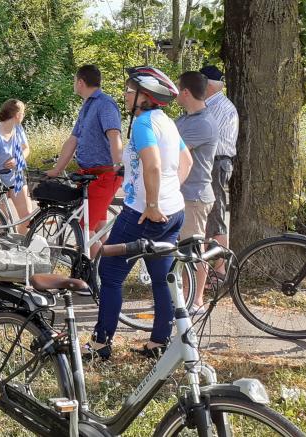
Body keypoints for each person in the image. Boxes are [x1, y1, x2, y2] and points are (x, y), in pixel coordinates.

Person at [87, 66, 192, 361]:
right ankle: (158, 342)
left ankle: (100, 344)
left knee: (110, 273)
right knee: (161, 277)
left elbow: (154, 165)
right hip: (174, 211)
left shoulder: (145, 123)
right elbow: (187, 161)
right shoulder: (167, 122)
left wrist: (153, 203)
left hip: (143, 214)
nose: (125, 95)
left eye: (130, 91)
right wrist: (169, 194)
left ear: (145, 96)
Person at [47, 65, 124, 255]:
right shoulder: (87, 105)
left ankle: (105, 268)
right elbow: (73, 140)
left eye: (75, 81)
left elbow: (114, 135)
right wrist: (57, 169)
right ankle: (102, 274)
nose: (74, 84)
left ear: (81, 82)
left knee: (83, 229)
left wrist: (118, 166)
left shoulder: (105, 104)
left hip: (104, 175)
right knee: (99, 227)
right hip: (90, 176)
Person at [174, 71, 218, 312]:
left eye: (178, 89)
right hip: (181, 195)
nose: (176, 94)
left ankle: (197, 299)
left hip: (194, 197)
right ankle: (182, 296)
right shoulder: (185, 119)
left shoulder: (203, 123)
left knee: (193, 249)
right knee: (181, 250)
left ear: (186, 92)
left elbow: (172, 152)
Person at [199, 65, 238, 283]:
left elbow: (206, 138)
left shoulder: (219, 107)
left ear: (208, 85)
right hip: (212, 162)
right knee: (209, 213)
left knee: (215, 214)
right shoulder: (212, 104)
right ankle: (211, 267)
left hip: (216, 163)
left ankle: (221, 270)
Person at [0, 99, 33, 234]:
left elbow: (26, 149)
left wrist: (18, 159)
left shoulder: (18, 128)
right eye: (23, 113)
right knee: (4, 224)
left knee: (27, 219)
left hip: (17, 177)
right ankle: (7, 248)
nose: (24, 115)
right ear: (17, 115)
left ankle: (21, 246)